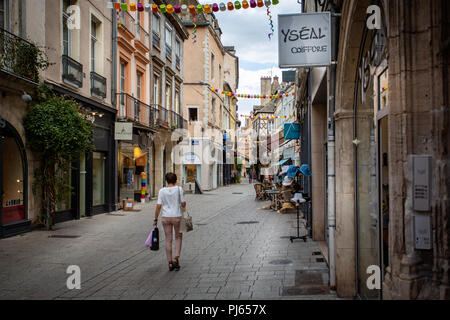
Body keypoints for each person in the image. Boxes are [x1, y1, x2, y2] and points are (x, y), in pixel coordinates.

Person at [153, 172, 186, 271]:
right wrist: (183, 204)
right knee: (178, 237)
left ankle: (170, 263)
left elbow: (158, 206)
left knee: (168, 239)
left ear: (166, 180)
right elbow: (183, 204)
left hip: (165, 217)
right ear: (176, 180)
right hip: (177, 216)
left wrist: (155, 218)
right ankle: (176, 258)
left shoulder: (162, 191)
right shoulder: (179, 189)